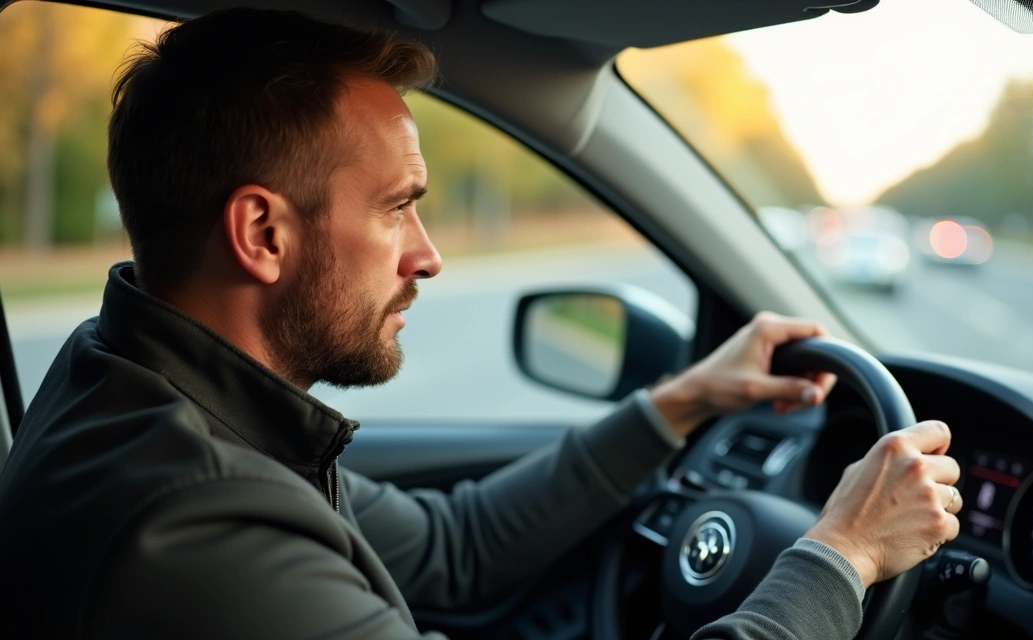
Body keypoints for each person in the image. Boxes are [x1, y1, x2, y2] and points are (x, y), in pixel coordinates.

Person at [0, 9, 962, 639]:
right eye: (395, 207)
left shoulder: (146, 387)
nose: (427, 253)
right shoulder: (196, 524)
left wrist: (682, 401)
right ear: (261, 232)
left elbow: (452, 550)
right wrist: (842, 556)